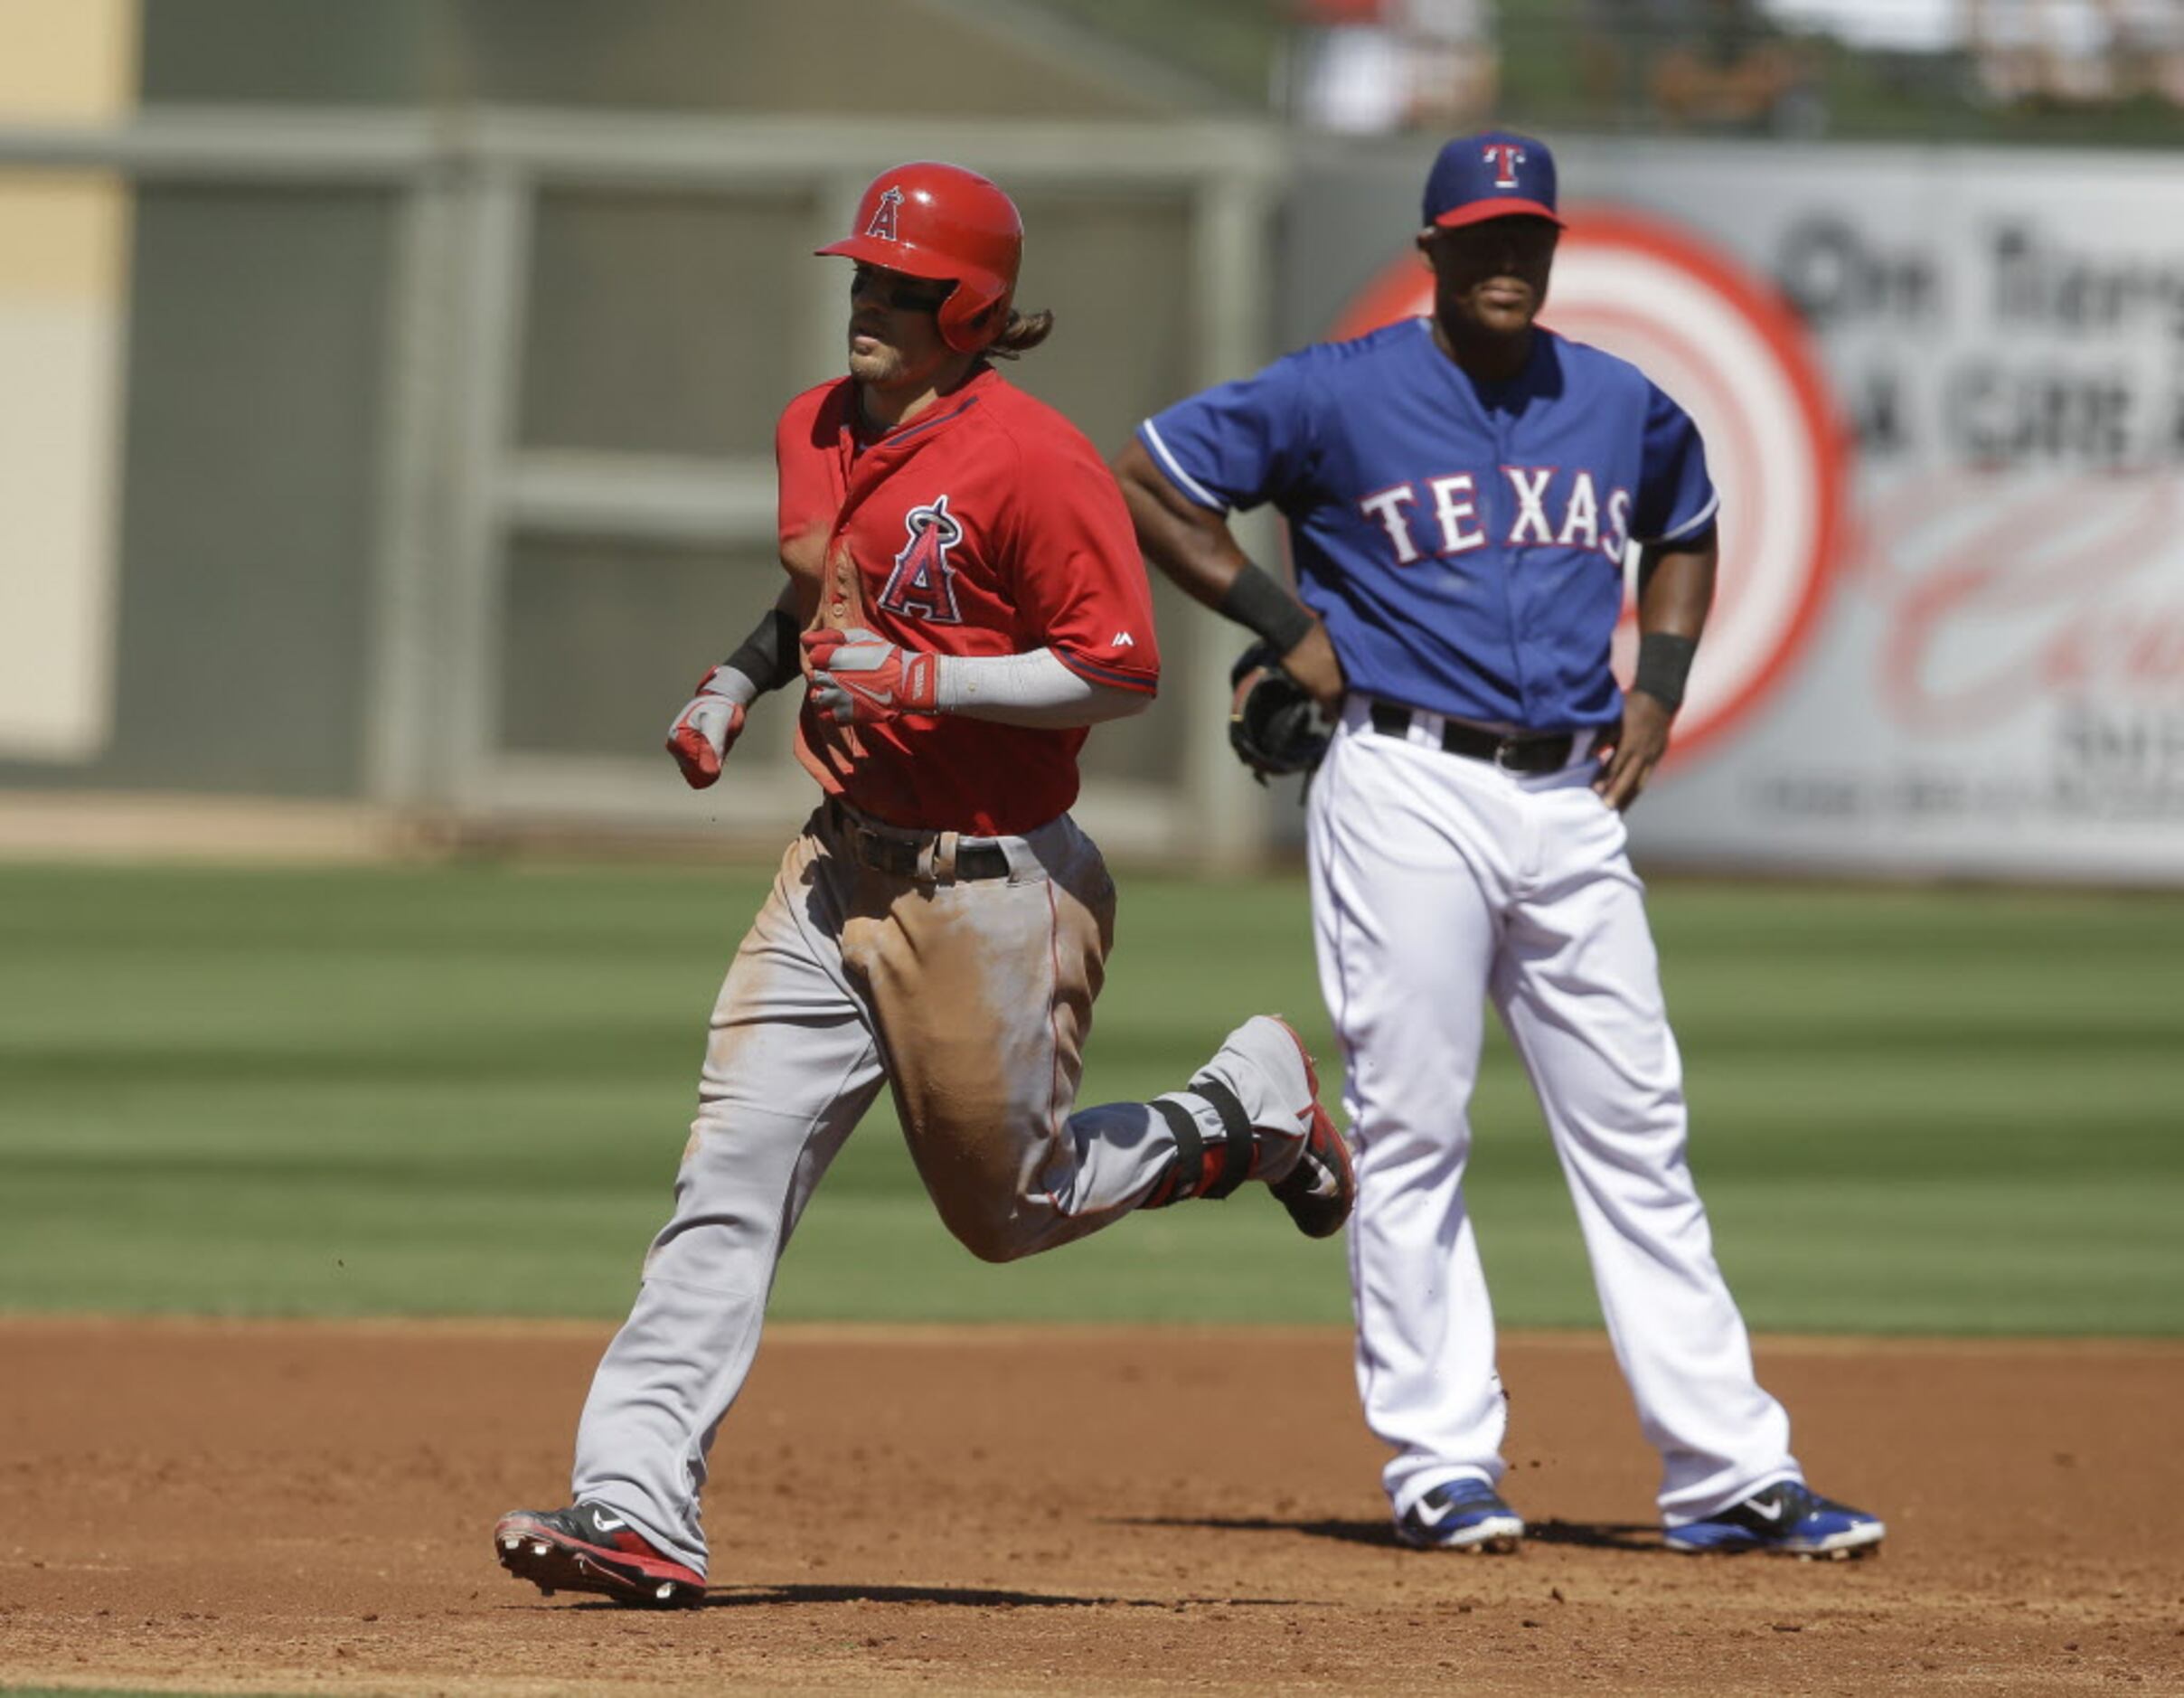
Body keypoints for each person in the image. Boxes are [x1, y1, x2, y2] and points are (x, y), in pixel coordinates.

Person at [493, 162, 1355, 1608]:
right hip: (835, 872)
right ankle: (638, 1503)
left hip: (991, 888)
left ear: (973, 307)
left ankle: (1244, 1110)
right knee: (729, 1174)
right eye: (862, 279)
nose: (866, 304)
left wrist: (928, 678)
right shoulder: (817, 428)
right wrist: (732, 681)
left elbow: (1121, 667)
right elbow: (825, 594)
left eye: (899, 286)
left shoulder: (1038, 463)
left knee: (1008, 1209)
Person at [1113, 131, 1884, 1560]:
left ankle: (1727, 1471)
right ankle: (1441, 1459)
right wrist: (1286, 628)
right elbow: (1153, 475)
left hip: (1569, 801)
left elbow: (1692, 519)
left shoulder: (1614, 400)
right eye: (1482, 238)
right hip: (1404, 779)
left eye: (1529, 235)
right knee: (1412, 1123)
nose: (1509, 259)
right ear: (1435, 253)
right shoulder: (1337, 394)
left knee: (1638, 1133)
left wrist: (1658, 683)